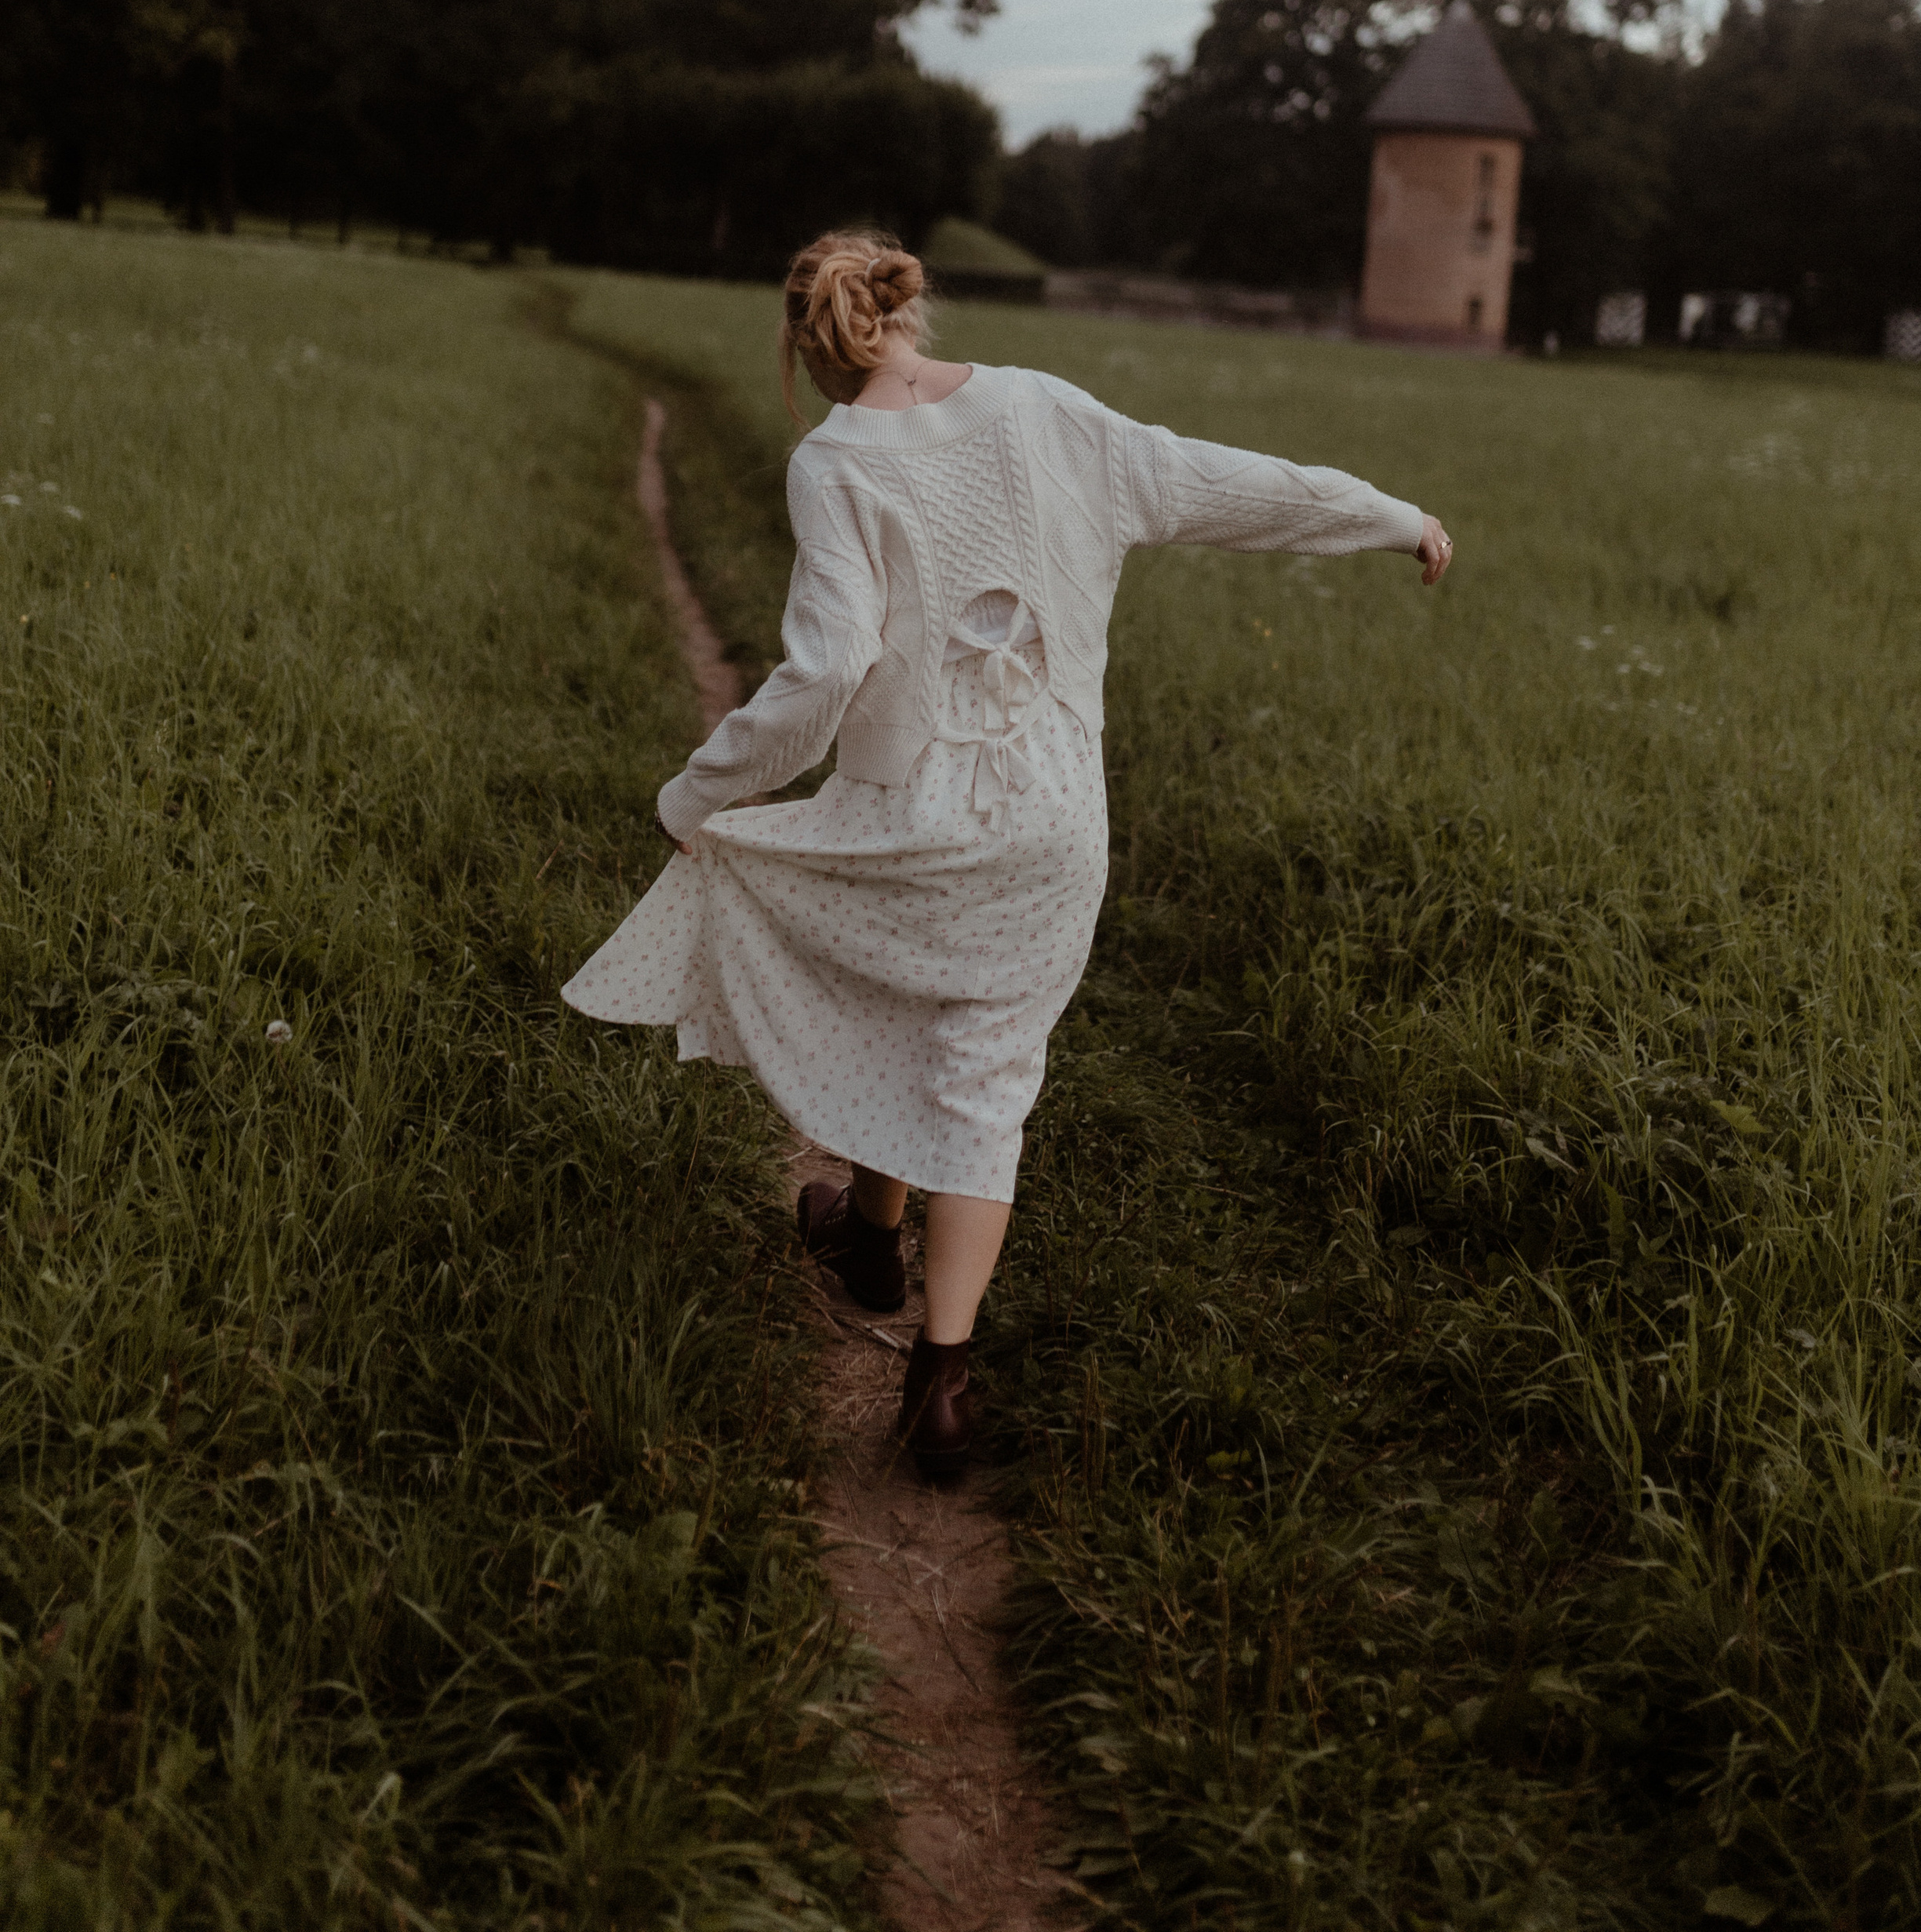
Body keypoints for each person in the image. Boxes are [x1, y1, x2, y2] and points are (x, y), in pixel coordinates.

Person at [562, 231, 1452, 1477]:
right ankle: (938, 1376)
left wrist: (696, 792)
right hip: (1054, 821)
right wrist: (1392, 516)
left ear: (807, 347)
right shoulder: (1050, 411)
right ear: (909, 307)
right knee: (985, 1070)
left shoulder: (832, 461)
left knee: (885, 994)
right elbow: (1230, 486)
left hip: (909, 812)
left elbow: (824, 674)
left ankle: (870, 1244)